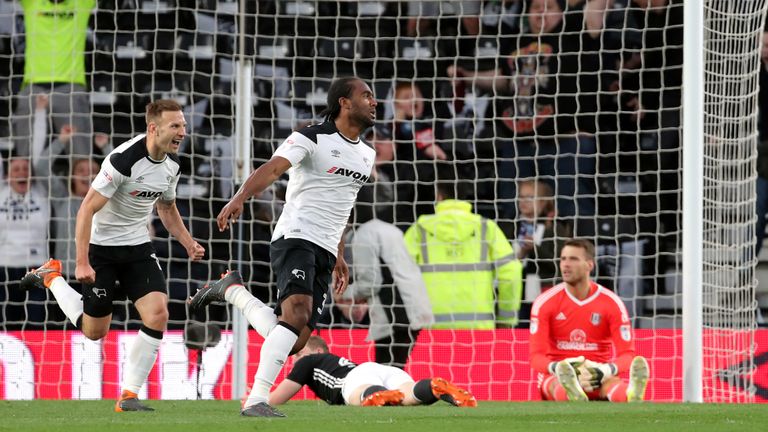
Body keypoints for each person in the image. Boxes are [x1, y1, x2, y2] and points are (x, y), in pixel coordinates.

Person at [188, 77, 378, 417]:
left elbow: (343, 204)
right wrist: (240, 197)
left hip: (325, 247)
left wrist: (339, 253)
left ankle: (233, 291)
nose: (374, 101)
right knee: (297, 312)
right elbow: (274, 168)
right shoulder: (312, 136)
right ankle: (256, 400)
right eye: (366, 95)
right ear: (344, 103)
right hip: (296, 235)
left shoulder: (367, 153)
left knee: (297, 339)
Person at [20, 100, 206, 411]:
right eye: (175, 126)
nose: (182, 132)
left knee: (158, 314)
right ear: (153, 128)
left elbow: (166, 207)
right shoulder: (123, 160)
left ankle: (129, 395)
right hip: (102, 249)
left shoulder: (173, 165)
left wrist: (187, 242)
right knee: (95, 332)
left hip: (138, 248)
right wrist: (82, 261)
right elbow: (86, 209)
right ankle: (51, 277)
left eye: (184, 126)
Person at [529, 238, 649, 402]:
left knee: (612, 385)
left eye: (573, 259)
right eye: (563, 259)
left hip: (597, 374)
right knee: (556, 384)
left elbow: (627, 354)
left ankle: (631, 396)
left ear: (589, 265)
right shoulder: (545, 302)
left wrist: (604, 371)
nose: (566, 264)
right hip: (560, 373)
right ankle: (572, 392)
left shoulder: (611, 303)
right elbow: (536, 357)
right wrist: (558, 367)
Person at [402, 180, 523, 329]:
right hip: (478, 327)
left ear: (439, 196)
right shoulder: (486, 228)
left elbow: (400, 274)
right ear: (466, 197)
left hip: (430, 327)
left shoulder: (419, 230)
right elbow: (512, 272)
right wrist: (506, 318)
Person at [337, 188, 434, 368]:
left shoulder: (363, 236)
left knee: (386, 370)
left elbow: (371, 283)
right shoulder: (390, 229)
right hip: (414, 306)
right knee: (393, 368)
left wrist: (343, 292)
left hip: (396, 312)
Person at [268, 335, 477, 408]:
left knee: (358, 393)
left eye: (298, 353)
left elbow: (277, 398)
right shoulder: (336, 362)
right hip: (380, 369)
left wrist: (258, 397)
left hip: (357, 378)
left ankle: (375, 394)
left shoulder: (309, 361)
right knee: (408, 394)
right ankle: (432, 387)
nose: (295, 359)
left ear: (318, 350)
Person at [13, 0, 95, 157]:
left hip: (70, 87)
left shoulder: (81, 3)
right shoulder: (33, 3)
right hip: (33, 87)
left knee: (82, 160)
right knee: (23, 160)